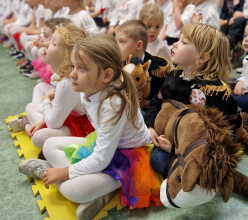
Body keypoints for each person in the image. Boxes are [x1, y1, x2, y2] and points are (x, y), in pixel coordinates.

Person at [18, 34, 160, 220]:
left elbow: (101, 159)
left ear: (107, 75)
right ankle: (80, 183)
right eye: (73, 66)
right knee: (49, 145)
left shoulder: (112, 105)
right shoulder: (90, 86)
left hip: (128, 157)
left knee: (74, 190)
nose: (72, 74)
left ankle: (104, 187)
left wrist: (64, 172)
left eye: (82, 68)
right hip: (105, 145)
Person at [144, 23, 243, 178]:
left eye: (184, 42)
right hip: (166, 129)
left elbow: (221, 134)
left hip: (188, 144)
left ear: (203, 57)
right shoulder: (174, 74)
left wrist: (177, 149)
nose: (175, 44)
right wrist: (150, 127)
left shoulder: (215, 91)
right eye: (179, 39)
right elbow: (157, 101)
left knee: (159, 162)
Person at [9, 24, 94, 154]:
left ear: (66, 56)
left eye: (54, 43)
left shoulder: (67, 83)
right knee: (31, 107)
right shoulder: (64, 76)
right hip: (69, 116)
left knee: (39, 138)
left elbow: (53, 123)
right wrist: (44, 116)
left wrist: (46, 99)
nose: (46, 44)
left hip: (84, 128)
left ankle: (28, 125)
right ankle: (29, 124)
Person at [115, 19, 171, 111]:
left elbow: (165, 97)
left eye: (121, 42)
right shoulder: (116, 64)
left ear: (138, 45)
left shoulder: (159, 67)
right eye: (116, 41)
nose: (116, 46)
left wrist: (147, 103)